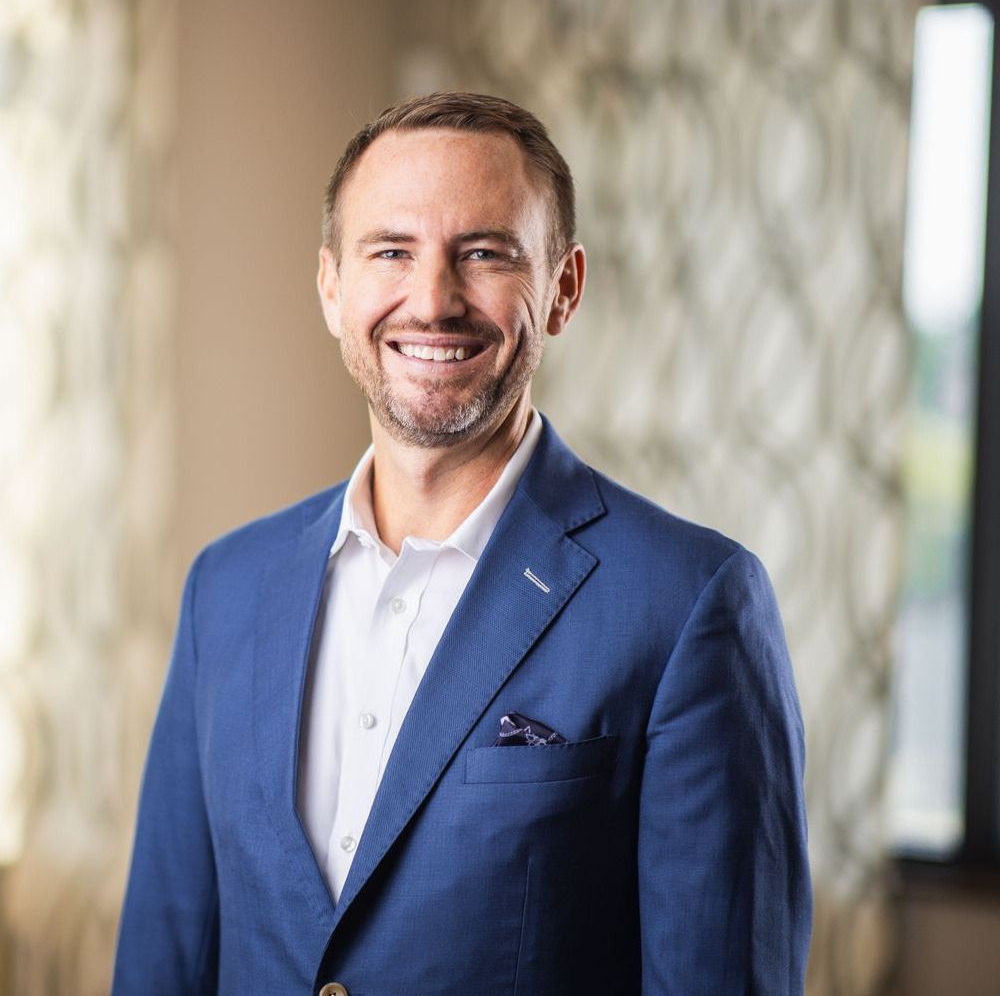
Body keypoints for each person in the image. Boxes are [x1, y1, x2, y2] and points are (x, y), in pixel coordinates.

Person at [113, 91, 811, 995]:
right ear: (332, 287)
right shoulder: (226, 589)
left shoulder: (692, 603)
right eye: (391, 251)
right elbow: (163, 966)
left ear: (562, 288)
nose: (432, 299)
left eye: (483, 253)